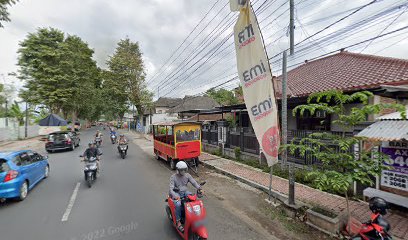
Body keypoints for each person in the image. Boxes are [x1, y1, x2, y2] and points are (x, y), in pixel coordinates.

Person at [169, 161, 202, 232]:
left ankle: (193, 217)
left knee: (193, 199)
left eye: (184, 169)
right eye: (181, 170)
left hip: (185, 192)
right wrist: (175, 196)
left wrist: (199, 188)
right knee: (178, 204)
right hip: (176, 193)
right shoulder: (173, 177)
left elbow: (193, 182)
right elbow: (171, 189)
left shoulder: (187, 175)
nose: (183, 171)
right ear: (178, 170)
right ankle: (178, 222)